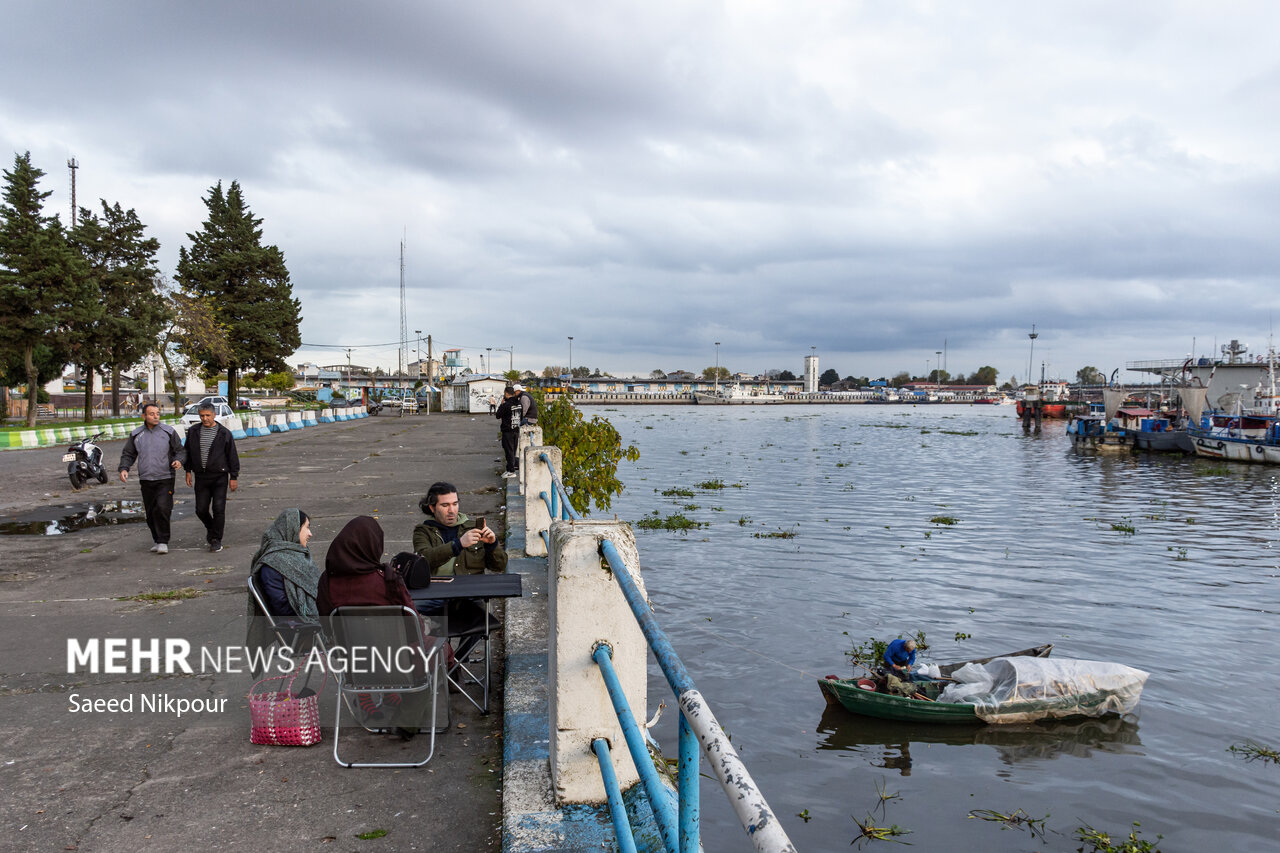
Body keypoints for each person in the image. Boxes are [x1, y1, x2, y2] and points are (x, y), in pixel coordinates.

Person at [317, 516, 438, 729]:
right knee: (438, 647)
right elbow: (414, 626)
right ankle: (407, 720)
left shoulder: (327, 582)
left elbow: (328, 626)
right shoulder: (387, 580)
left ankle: (387, 699)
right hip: (399, 663)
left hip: (354, 665)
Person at [118, 402, 185, 554]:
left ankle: (163, 541)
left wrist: (179, 460)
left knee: (163, 508)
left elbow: (180, 450)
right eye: (151, 414)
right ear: (144, 416)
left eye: (157, 413)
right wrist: (124, 468)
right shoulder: (136, 434)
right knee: (150, 512)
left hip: (165, 477)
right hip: (146, 479)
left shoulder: (168, 432)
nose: (155, 417)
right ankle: (157, 539)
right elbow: (128, 454)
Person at [413, 481, 507, 576]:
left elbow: (500, 567)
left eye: (455, 504)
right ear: (432, 508)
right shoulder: (423, 531)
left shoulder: (473, 528)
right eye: (445, 505)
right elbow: (422, 560)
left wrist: (492, 545)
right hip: (438, 587)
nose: (451, 510)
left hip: (471, 587)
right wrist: (458, 544)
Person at [183, 402, 240, 552]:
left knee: (218, 508)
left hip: (219, 477)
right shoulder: (194, 431)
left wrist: (233, 477)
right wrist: (187, 470)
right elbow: (187, 452)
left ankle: (216, 539)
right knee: (200, 509)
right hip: (201, 477)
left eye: (208, 415)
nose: (205, 418)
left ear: (214, 415)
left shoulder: (224, 433)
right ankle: (211, 528)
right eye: (202, 416)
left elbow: (232, 456)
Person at [494, 386, 521, 478]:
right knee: (513, 450)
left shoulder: (506, 405)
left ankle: (511, 471)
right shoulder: (519, 403)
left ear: (506, 393)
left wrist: (501, 404)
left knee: (508, 451)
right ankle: (509, 469)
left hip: (508, 431)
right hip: (516, 430)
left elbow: (498, 415)